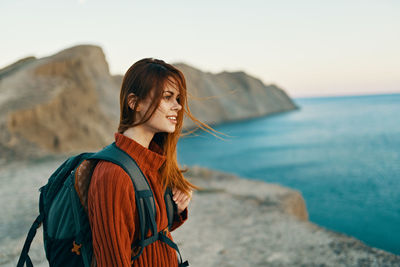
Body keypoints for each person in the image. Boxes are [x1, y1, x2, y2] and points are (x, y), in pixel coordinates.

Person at [87, 58, 221, 266]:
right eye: (168, 97)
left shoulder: (153, 161)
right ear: (135, 102)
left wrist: (174, 209)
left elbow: (146, 238)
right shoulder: (113, 174)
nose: (177, 106)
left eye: (177, 98)